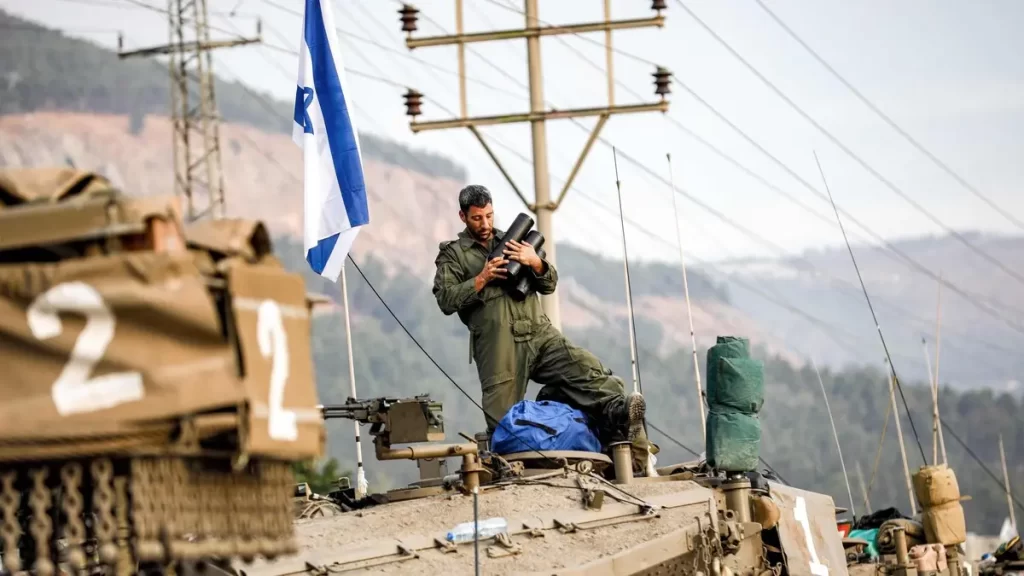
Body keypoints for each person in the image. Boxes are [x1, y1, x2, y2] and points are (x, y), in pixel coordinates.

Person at [432, 184, 655, 463]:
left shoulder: (514, 240)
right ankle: (514, 471)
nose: (485, 224)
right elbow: (446, 299)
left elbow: (549, 284)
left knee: (594, 376)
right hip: (499, 346)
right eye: (477, 218)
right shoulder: (454, 254)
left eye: (489, 216)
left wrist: (535, 262)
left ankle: (632, 451)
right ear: (463, 216)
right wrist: (482, 277)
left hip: (539, 333)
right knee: (503, 426)